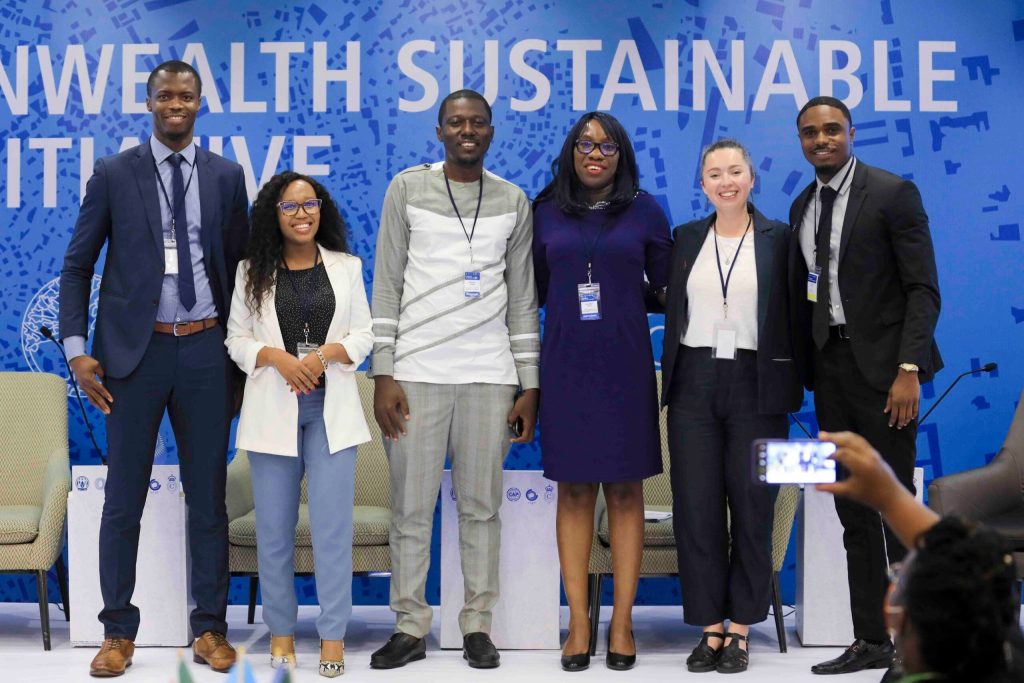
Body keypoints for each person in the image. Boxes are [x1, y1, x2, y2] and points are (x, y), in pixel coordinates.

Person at [58, 60, 248, 677]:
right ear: (149, 103)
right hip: (130, 359)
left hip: (205, 352)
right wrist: (75, 348)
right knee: (122, 501)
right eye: (165, 95)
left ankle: (210, 630)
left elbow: (244, 271)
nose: (176, 104)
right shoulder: (115, 173)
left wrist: (247, 354)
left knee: (209, 502)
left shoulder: (225, 175)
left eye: (186, 95)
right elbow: (78, 265)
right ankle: (116, 633)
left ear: (200, 103)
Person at [367, 89, 540, 670]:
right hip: (415, 374)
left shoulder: (514, 201)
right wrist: (383, 371)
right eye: (456, 122)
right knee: (410, 508)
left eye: (478, 123)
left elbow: (522, 301)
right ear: (440, 130)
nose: (467, 131)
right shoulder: (406, 189)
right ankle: (410, 626)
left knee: (482, 507)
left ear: (491, 132)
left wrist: (529, 383)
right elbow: (386, 284)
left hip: (490, 377)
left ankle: (476, 626)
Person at [787, 95, 944, 677]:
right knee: (853, 516)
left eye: (831, 130)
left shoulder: (892, 192)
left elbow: (923, 289)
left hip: (887, 376)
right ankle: (871, 641)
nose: (821, 140)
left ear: (850, 133)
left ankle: (917, 647)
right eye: (810, 133)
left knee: (897, 509)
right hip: (831, 373)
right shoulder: (803, 204)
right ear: (800, 141)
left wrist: (909, 369)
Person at [532, 111, 671, 672]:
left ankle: (622, 621)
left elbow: (668, 289)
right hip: (566, 365)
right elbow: (529, 294)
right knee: (573, 493)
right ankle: (580, 622)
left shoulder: (645, 209)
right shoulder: (543, 211)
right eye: (585, 143)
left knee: (626, 492)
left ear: (621, 154)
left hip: (625, 365)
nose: (595, 153)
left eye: (606, 145)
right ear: (571, 151)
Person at [661, 139, 802, 673]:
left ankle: (741, 627)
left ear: (751, 177)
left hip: (757, 384)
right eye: (715, 173)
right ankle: (709, 627)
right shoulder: (686, 238)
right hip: (693, 381)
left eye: (735, 171)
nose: (726, 181)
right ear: (703, 184)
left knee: (752, 504)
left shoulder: (780, 239)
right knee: (695, 508)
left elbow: (794, 312)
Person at [224, 172, 372, 677]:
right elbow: (236, 340)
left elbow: (364, 334)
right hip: (274, 410)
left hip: (331, 411)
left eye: (310, 204)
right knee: (274, 533)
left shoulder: (347, 266)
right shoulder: (251, 271)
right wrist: (277, 358)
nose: (302, 214)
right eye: (290, 207)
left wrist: (327, 354)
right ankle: (281, 632)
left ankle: (333, 639)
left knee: (332, 531)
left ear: (321, 210)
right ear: (274, 215)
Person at [816, 431, 1024, 683]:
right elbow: (982, 569)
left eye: (899, 574)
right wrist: (890, 497)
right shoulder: (1011, 662)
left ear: (905, 628)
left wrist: (889, 498)